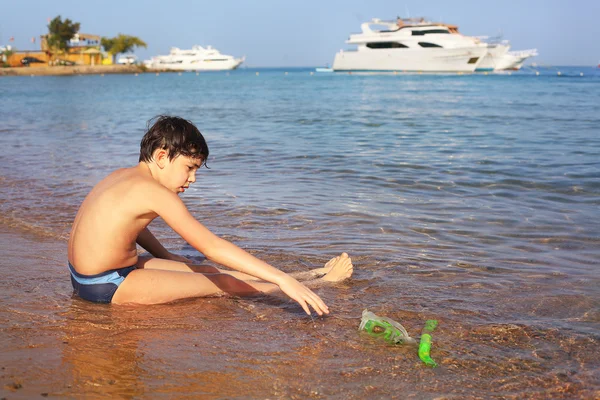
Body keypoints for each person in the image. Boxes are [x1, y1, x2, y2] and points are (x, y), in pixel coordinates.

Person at [67, 116, 353, 315]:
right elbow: (212, 246)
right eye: (190, 167)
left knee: (211, 272)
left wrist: (167, 256)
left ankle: (306, 274)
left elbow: (132, 226)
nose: (192, 179)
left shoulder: (122, 176)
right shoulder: (155, 192)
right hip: (108, 286)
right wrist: (282, 280)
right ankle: (315, 283)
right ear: (163, 156)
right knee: (225, 284)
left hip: (93, 276)